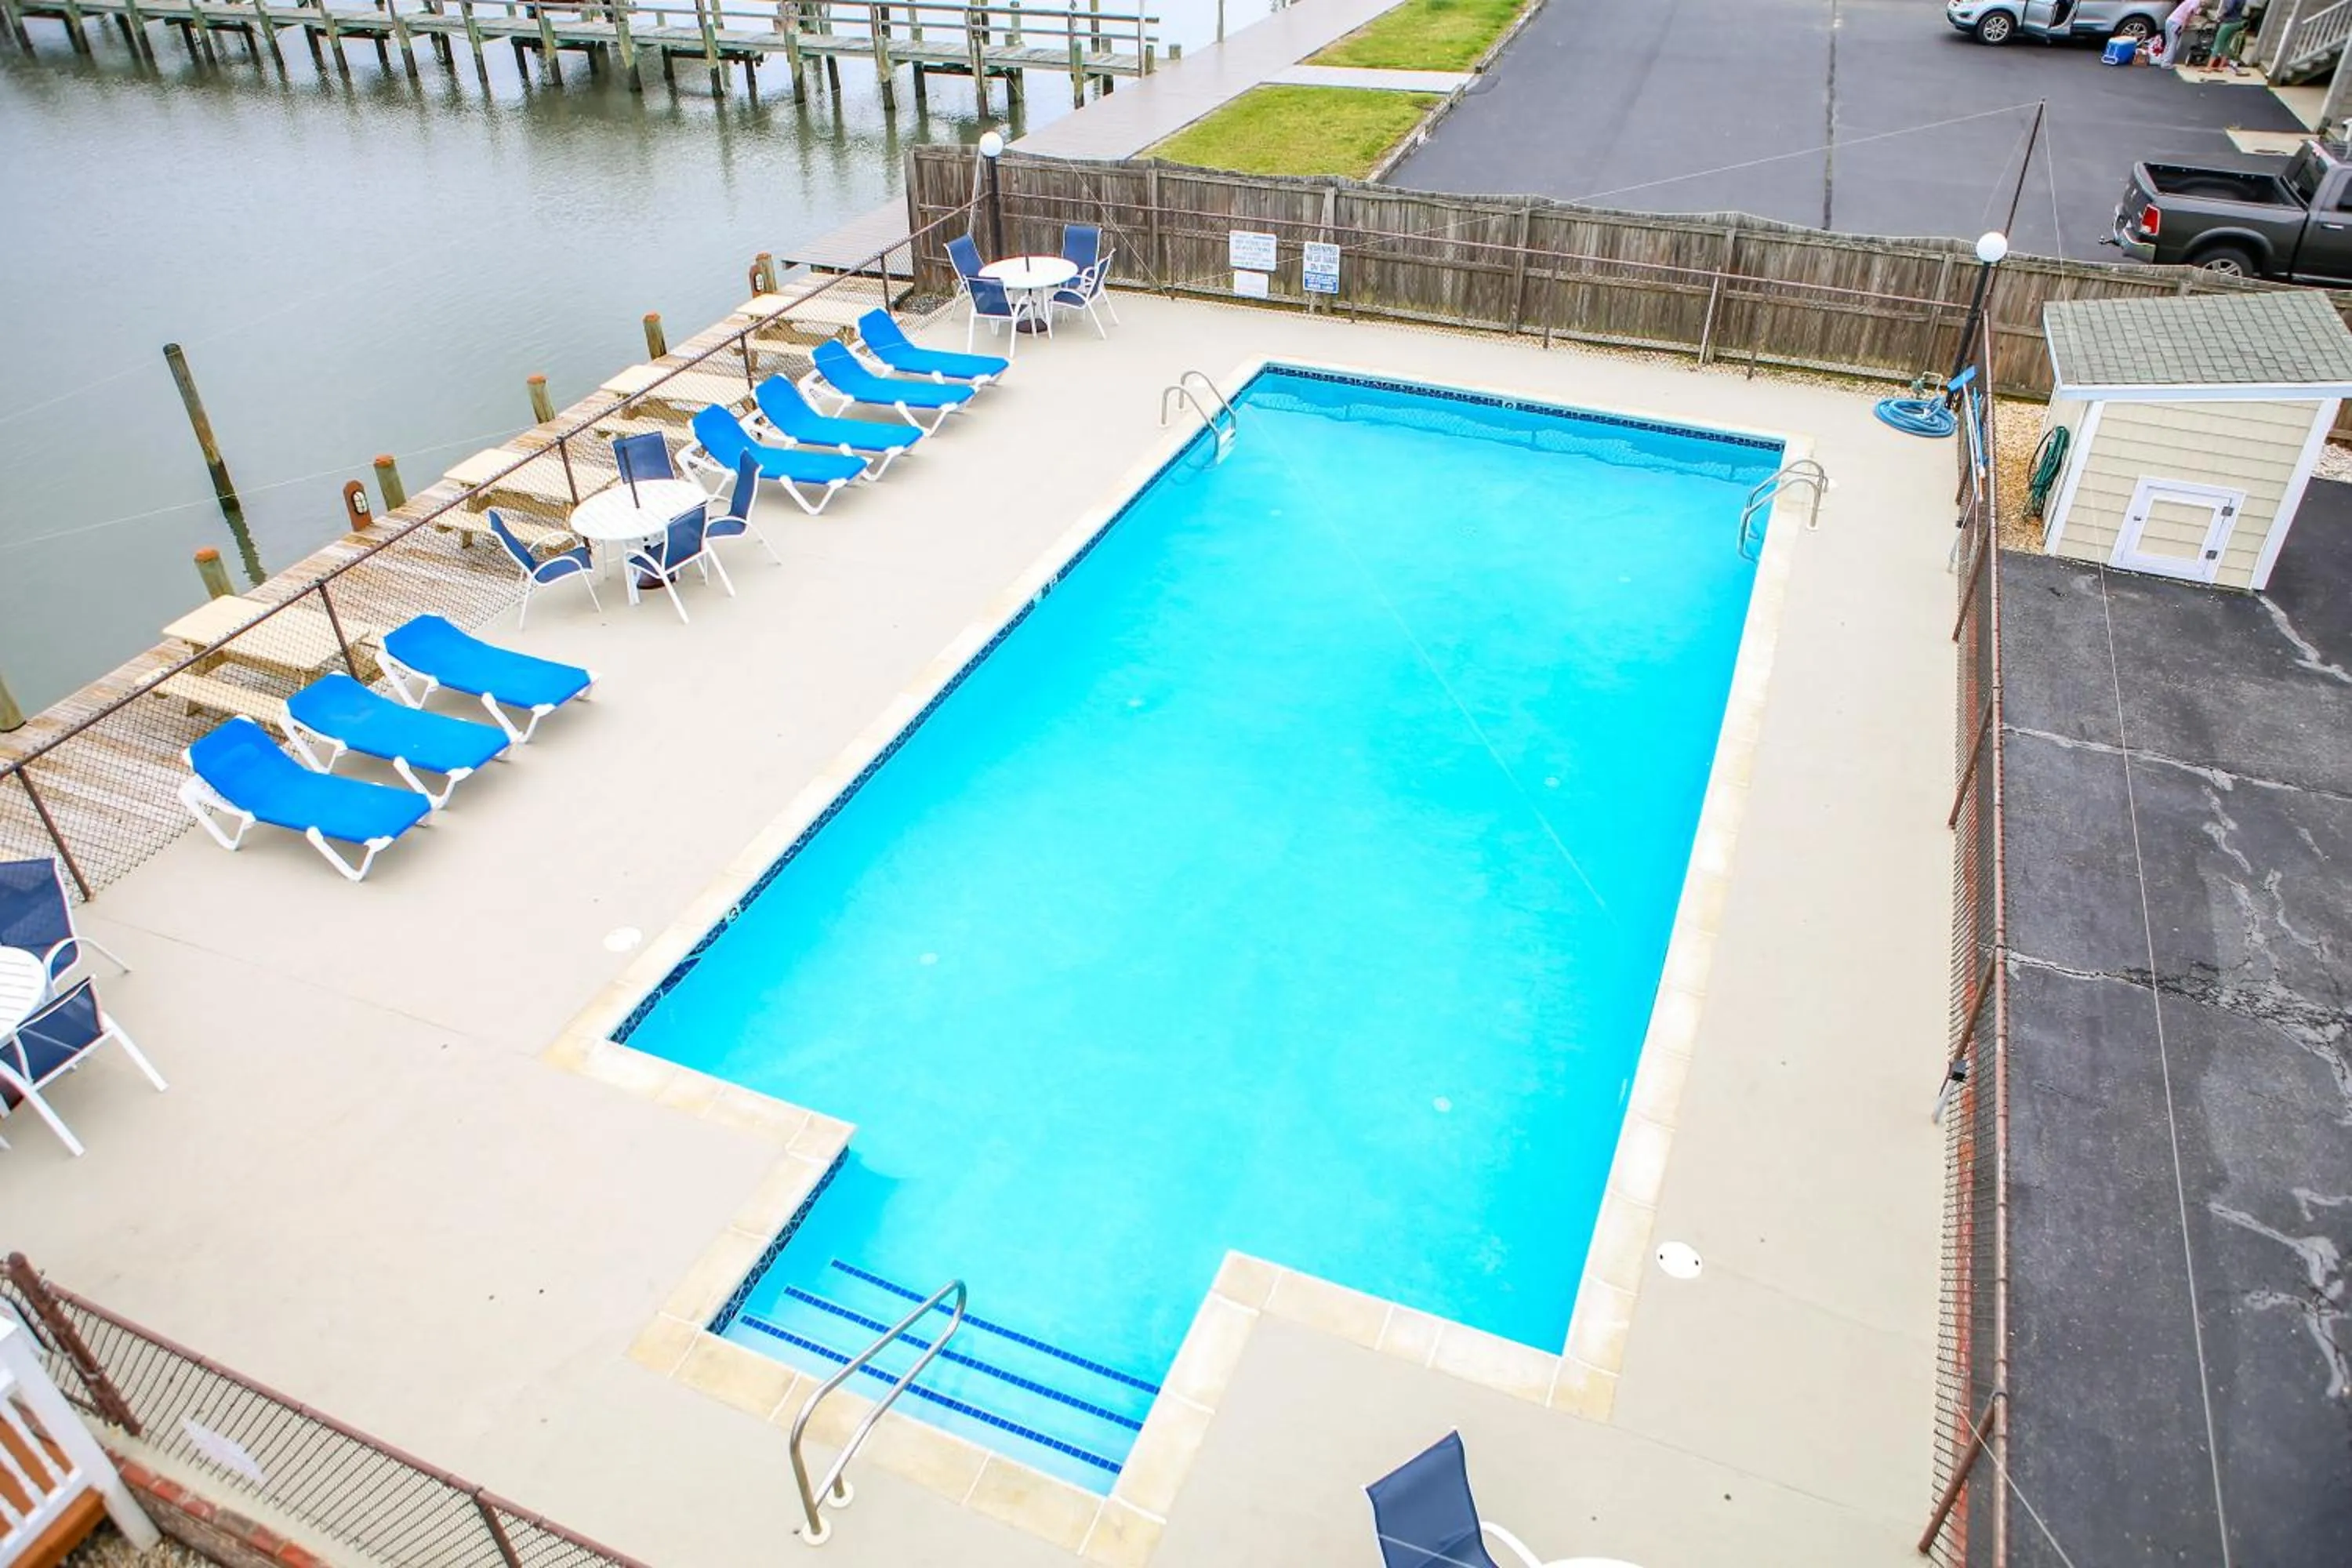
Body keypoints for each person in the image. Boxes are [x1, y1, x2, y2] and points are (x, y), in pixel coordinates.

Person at [2161, 0, 2205, 67]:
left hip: (2170, 21)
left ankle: (2163, 60)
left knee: (2169, 42)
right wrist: (2184, 26)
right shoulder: (2196, 2)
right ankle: (2166, 63)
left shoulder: (2191, 1)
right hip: (2176, 23)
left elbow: (2189, 14)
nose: (2206, 3)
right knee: (2173, 43)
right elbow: (2189, 13)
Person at [2211, 0, 2250, 73]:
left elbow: (2230, 8)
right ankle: (2220, 67)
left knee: (2218, 43)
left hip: (2228, 22)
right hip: (2237, 22)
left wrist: (2222, 16)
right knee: (2227, 45)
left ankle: (2209, 67)